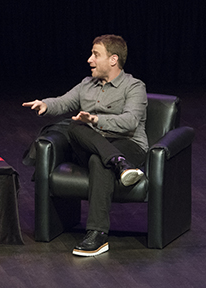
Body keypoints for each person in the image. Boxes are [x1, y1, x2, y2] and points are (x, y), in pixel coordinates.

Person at [22, 34, 147, 256]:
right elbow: (63, 101)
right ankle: (119, 163)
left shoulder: (134, 86)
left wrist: (96, 120)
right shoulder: (86, 84)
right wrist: (45, 104)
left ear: (113, 59)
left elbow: (130, 122)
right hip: (97, 145)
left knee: (98, 160)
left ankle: (97, 236)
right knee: (74, 127)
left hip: (128, 145)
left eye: (96, 55)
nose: (90, 60)